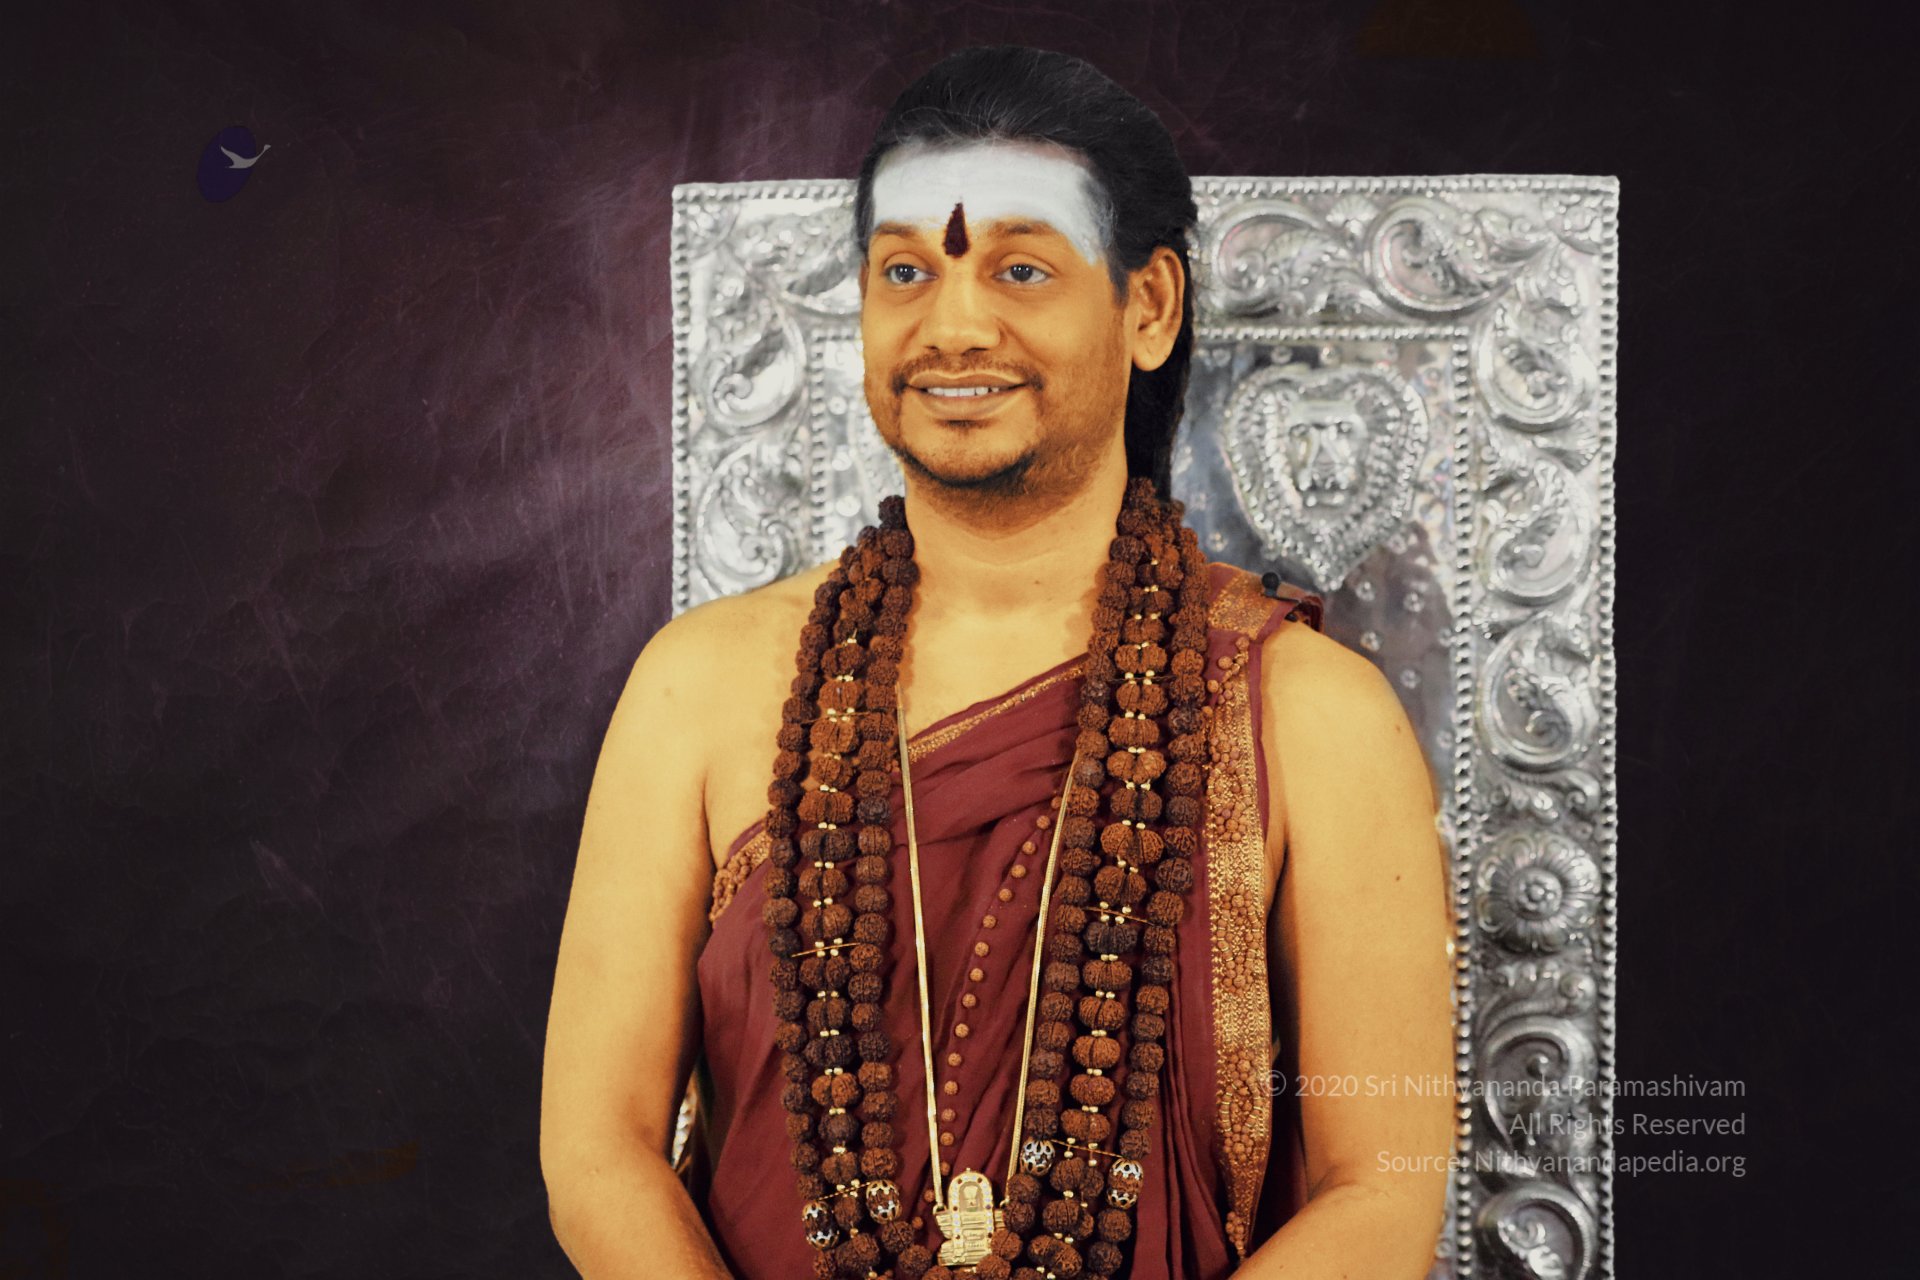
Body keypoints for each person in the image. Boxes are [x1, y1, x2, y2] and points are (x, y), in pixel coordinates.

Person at [541, 45, 1451, 1280]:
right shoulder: (697, 688)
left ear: (1148, 307)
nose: (954, 325)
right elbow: (596, 1147)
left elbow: (1384, 1188)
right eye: (905, 271)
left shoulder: (1311, 714)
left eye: (1021, 268)